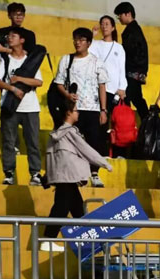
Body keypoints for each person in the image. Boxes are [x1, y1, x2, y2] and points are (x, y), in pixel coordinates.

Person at [43, 101, 112, 252]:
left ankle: (88, 241)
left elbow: (50, 157)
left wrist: (48, 175)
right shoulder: (69, 132)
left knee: (78, 209)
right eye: (75, 110)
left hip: (62, 176)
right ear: (68, 113)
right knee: (61, 207)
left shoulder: (56, 133)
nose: (78, 113)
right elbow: (86, 150)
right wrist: (105, 164)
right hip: (68, 176)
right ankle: (48, 239)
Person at [54, 28, 109, 187]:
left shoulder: (97, 62)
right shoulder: (66, 60)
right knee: (73, 142)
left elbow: (102, 87)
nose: (78, 43)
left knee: (93, 142)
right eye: (76, 39)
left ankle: (94, 173)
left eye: (82, 40)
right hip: (73, 109)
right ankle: (76, 173)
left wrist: (103, 110)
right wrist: (67, 95)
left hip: (92, 109)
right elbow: (59, 83)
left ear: (89, 43)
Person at [0, 27, 43, 186]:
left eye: (13, 36)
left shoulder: (30, 60)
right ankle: (9, 173)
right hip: (10, 105)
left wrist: (20, 79)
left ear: (22, 40)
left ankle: (35, 173)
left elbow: (38, 82)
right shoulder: (5, 59)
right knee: (8, 141)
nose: (9, 38)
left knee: (33, 142)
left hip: (30, 107)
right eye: (9, 36)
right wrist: (12, 89)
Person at [90, 15, 128, 157]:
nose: (104, 26)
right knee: (102, 122)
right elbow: (88, 55)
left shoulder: (119, 47)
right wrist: (92, 36)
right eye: (102, 24)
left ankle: (118, 152)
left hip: (114, 89)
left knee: (117, 122)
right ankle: (102, 152)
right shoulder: (95, 44)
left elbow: (121, 69)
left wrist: (122, 87)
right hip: (99, 88)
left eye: (107, 24)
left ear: (113, 27)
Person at [114, 2, 149, 123]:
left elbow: (129, 52)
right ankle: (145, 122)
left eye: (120, 15)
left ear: (128, 14)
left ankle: (132, 123)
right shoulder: (135, 29)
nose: (119, 18)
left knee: (128, 98)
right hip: (136, 71)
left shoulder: (131, 31)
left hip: (132, 71)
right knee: (136, 98)